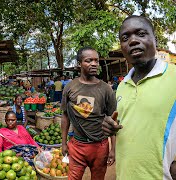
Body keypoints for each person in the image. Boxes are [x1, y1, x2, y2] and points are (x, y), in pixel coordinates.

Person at [102, 15, 176, 180]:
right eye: (125, 38)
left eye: (141, 34)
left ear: (155, 40)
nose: (133, 41)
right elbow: (129, 124)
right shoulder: (122, 86)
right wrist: (111, 128)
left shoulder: (174, 77)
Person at [61, 47, 117, 180]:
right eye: (89, 60)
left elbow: (113, 121)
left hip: (100, 146)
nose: (94, 64)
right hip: (77, 146)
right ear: (79, 64)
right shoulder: (70, 87)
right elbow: (65, 116)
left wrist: (113, 149)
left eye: (96, 61)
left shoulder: (106, 89)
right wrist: (63, 143)